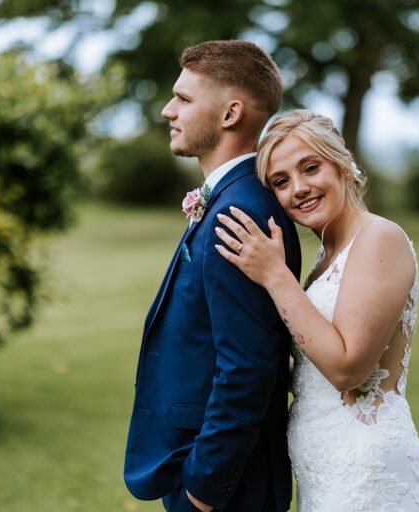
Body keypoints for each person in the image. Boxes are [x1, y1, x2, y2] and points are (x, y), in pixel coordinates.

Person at [214, 110, 419, 511]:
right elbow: (313, 363)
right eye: (281, 182)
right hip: (325, 473)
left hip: (367, 476)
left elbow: (347, 370)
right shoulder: (326, 255)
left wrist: (274, 275)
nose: (298, 189)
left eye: (310, 168)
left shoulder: (378, 239)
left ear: (342, 165)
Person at [123, 41, 301, 512]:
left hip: (225, 485)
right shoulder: (230, 198)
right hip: (204, 464)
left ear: (230, 114)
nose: (167, 110)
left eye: (183, 99)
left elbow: (248, 367)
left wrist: (203, 491)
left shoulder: (239, 210)